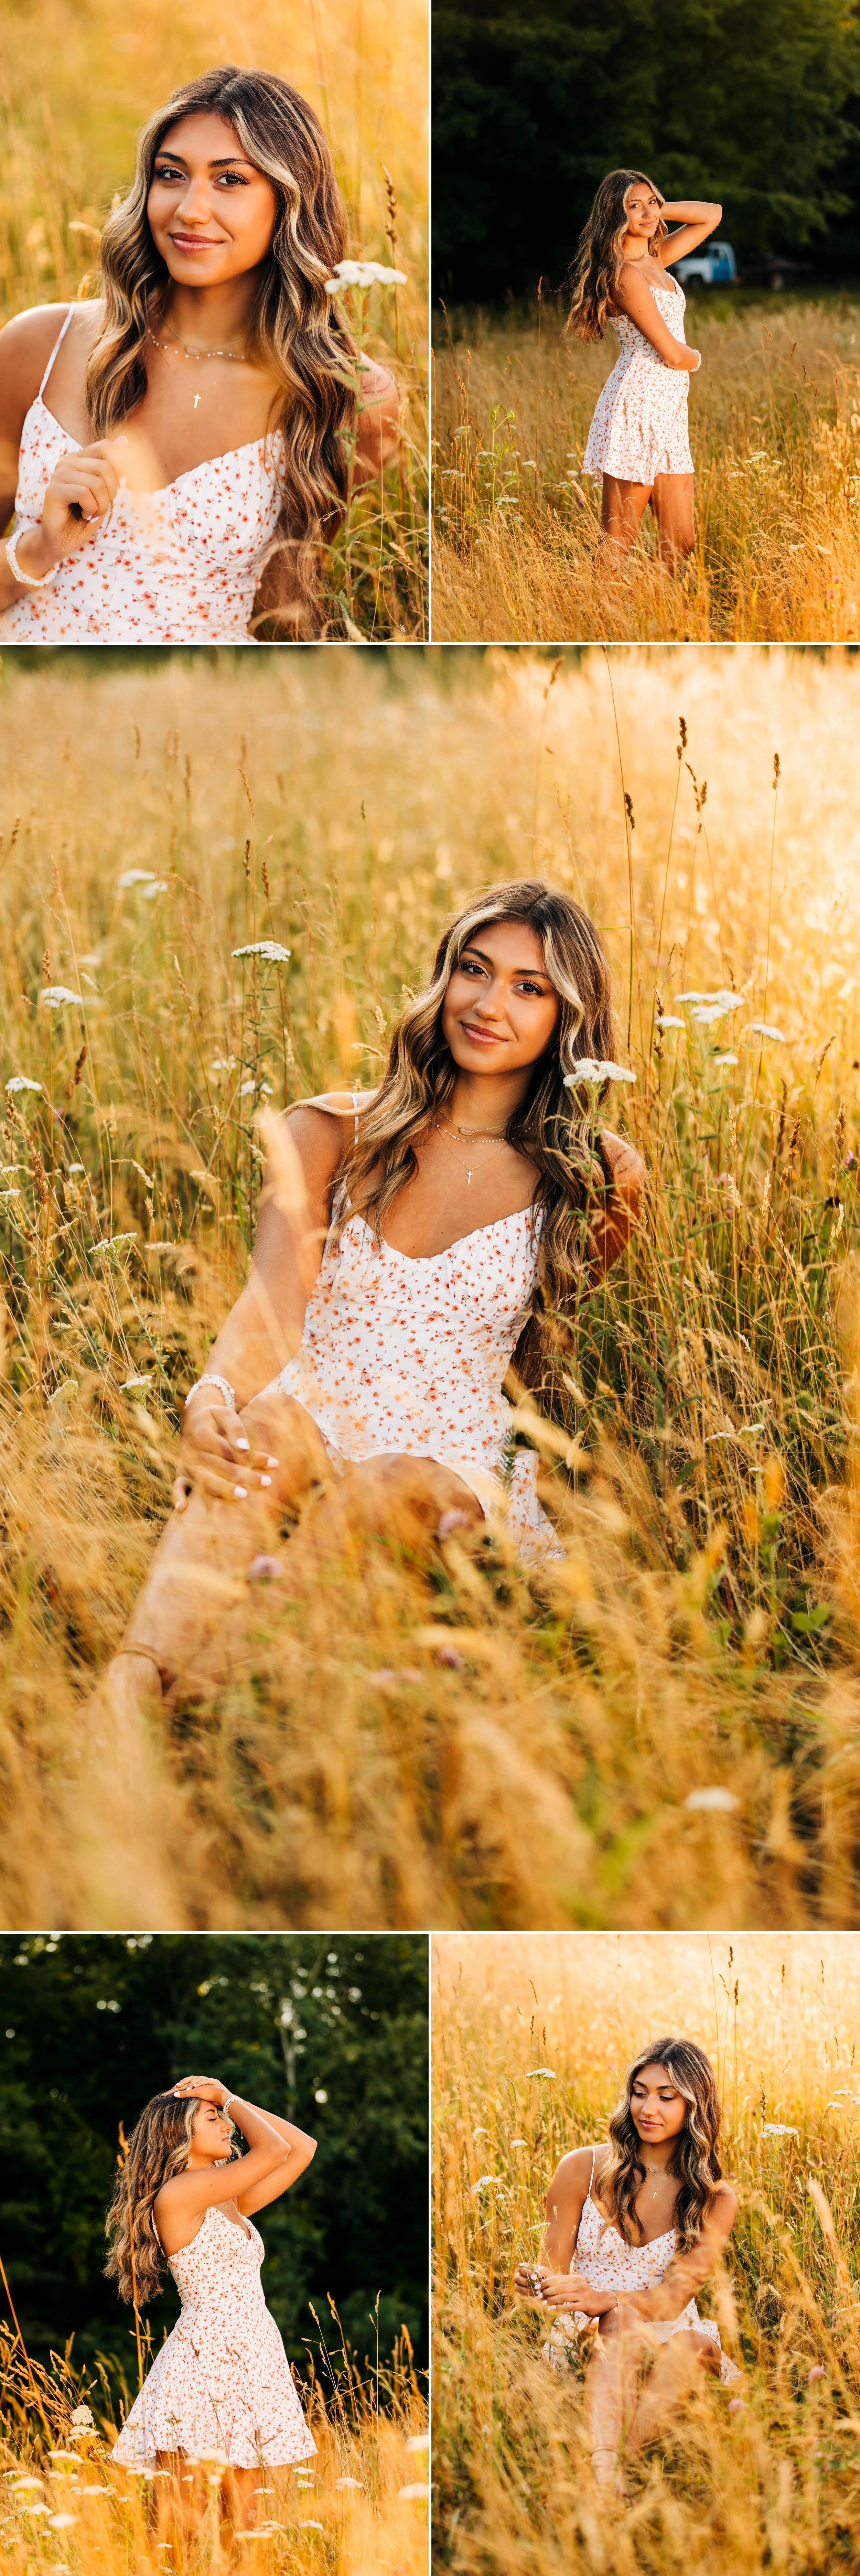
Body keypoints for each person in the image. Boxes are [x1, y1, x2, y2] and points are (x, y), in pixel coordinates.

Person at [104, 876, 645, 1718]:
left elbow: (553, 1328)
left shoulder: (594, 1174)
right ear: (444, 976)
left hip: (450, 1447)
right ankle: (128, 1687)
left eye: (528, 988)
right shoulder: (328, 1131)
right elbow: (272, 1305)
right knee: (264, 1436)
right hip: (314, 1401)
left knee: (384, 1484)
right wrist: (211, 1393)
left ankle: (189, 1714)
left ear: (566, 1018)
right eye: (474, 969)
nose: (488, 1003)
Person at [0, 65, 399, 642]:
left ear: (290, 199)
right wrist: (39, 548)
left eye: (230, 180)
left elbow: (282, 615)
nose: (190, 209)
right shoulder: (39, 345)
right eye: (171, 174)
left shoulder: (344, 395)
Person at [513, 2037, 740, 2490]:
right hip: (587, 2330)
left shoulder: (714, 2197)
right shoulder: (581, 2168)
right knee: (618, 2321)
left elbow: (675, 2299)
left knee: (690, 2342)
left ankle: (604, 2474)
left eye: (666, 2097)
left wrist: (605, 2297)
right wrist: (536, 2284)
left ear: (695, 2107)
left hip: (668, 2329)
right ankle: (609, 2480)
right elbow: (551, 2270)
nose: (647, 2108)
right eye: (639, 2093)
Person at [106, 2074, 318, 2530]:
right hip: (205, 2361)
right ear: (179, 2132)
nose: (228, 2125)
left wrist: (228, 2099)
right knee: (178, 2529)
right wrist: (226, 2096)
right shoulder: (180, 2193)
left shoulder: (227, 2200)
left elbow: (303, 2148)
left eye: (224, 2116)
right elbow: (274, 2150)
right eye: (213, 2118)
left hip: (250, 2355)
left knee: (243, 2527)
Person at [568, 170, 722, 570]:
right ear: (614, 213)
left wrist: (653, 210)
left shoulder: (655, 260)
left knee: (680, 541)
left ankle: (645, 603)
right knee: (618, 540)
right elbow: (671, 355)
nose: (648, 212)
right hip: (638, 406)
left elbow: (712, 214)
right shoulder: (625, 274)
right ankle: (596, 607)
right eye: (633, 206)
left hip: (669, 411)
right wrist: (697, 359)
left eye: (651, 202)